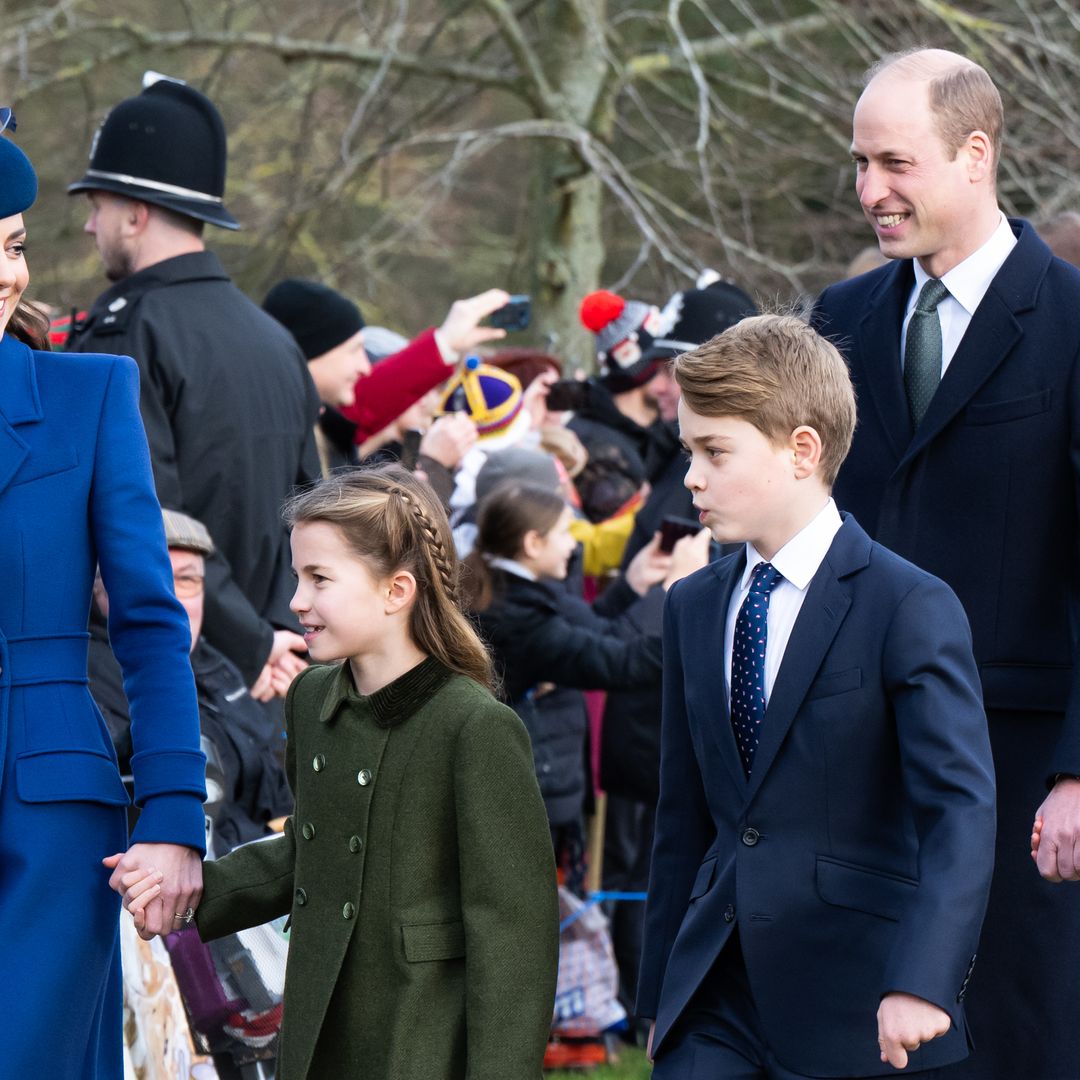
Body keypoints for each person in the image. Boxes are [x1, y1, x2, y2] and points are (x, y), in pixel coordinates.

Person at [811, 48, 1080, 1079]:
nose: (871, 191)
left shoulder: (1069, 322)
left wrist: (1076, 770)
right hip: (856, 760)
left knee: (1016, 1040)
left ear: (975, 155)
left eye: (895, 162)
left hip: (1018, 777)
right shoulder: (837, 323)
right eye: (859, 163)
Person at [638, 315, 996, 1078]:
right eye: (686, 452)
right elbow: (682, 814)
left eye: (714, 452)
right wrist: (658, 997)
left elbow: (959, 810)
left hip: (858, 997)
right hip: (713, 996)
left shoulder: (907, 604)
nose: (692, 478)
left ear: (802, 450)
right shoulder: (692, 604)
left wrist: (923, 980)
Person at [120, 465, 559, 1079]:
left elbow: (513, 937)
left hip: (420, 1037)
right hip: (320, 1019)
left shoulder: (474, 727)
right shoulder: (311, 697)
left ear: (396, 590)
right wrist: (191, 892)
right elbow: (315, 847)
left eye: (319, 579)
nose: (296, 601)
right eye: (297, 577)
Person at [0, 122, 206, 1076]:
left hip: (45, 814)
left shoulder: (89, 396)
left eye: (12, 245)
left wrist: (171, 815)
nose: (8, 275)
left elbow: (153, 626)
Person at [67, 74, 319, 699]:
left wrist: (255, 646)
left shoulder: (126, 332)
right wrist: (282, 637)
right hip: (277, 675)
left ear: (135, 214)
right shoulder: (274, 338)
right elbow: (313, 509)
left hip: (167, 673)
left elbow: (146, 516)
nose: (90, 227)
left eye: (97, 207)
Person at [463, 480, 706, 891]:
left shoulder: (511, 589)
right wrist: (675, 590)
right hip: (525, 792)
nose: (573, 546)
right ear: (533, 543)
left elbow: (595, 630)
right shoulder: (518, 616)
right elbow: (625, 664)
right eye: (565, 534)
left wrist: (635, 583)